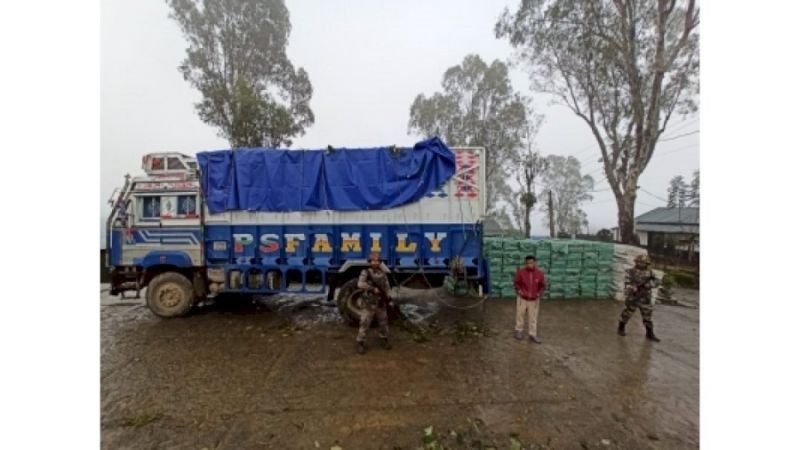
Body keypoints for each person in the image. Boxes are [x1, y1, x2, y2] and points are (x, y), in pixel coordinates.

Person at [355, 252, 394, 354]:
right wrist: (372, 289)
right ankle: (360, 342)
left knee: (383, 322)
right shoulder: (366, 272)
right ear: (370, 262)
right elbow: (360, 284)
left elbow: (387, 287)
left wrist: (389, 299)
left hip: (380, 302)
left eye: (377, 261)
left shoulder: (383, 273)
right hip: (369, 302)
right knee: (365, 323)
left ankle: (384, 339)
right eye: (373, 261)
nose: (375, 262)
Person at [617, 254, 661, 342]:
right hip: (633, 297)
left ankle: (649, 333)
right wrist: (632, 287)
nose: (641, 264)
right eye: (639, 262)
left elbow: (657, 281)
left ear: (646, 263)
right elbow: (627, 282)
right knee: (627, 313)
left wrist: (648, 285)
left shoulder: (650, 272)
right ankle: (621, 328)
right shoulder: (631, 271)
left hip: (645, 298)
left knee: (647, 316)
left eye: (643, 262)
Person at [513, 255, 547, 344]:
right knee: (520, 315)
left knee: (533, 317)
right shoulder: (521, 272)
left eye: (531, 263)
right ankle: (519, 331)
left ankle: (533, 334)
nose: (529, 265)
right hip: (522, 299)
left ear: (535, 263)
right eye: (527, 263)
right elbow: (516, 283)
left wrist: (539, 293)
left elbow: (542, 285)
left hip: (534, 300)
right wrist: (520, 291)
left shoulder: (539, 273)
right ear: (525, 263)